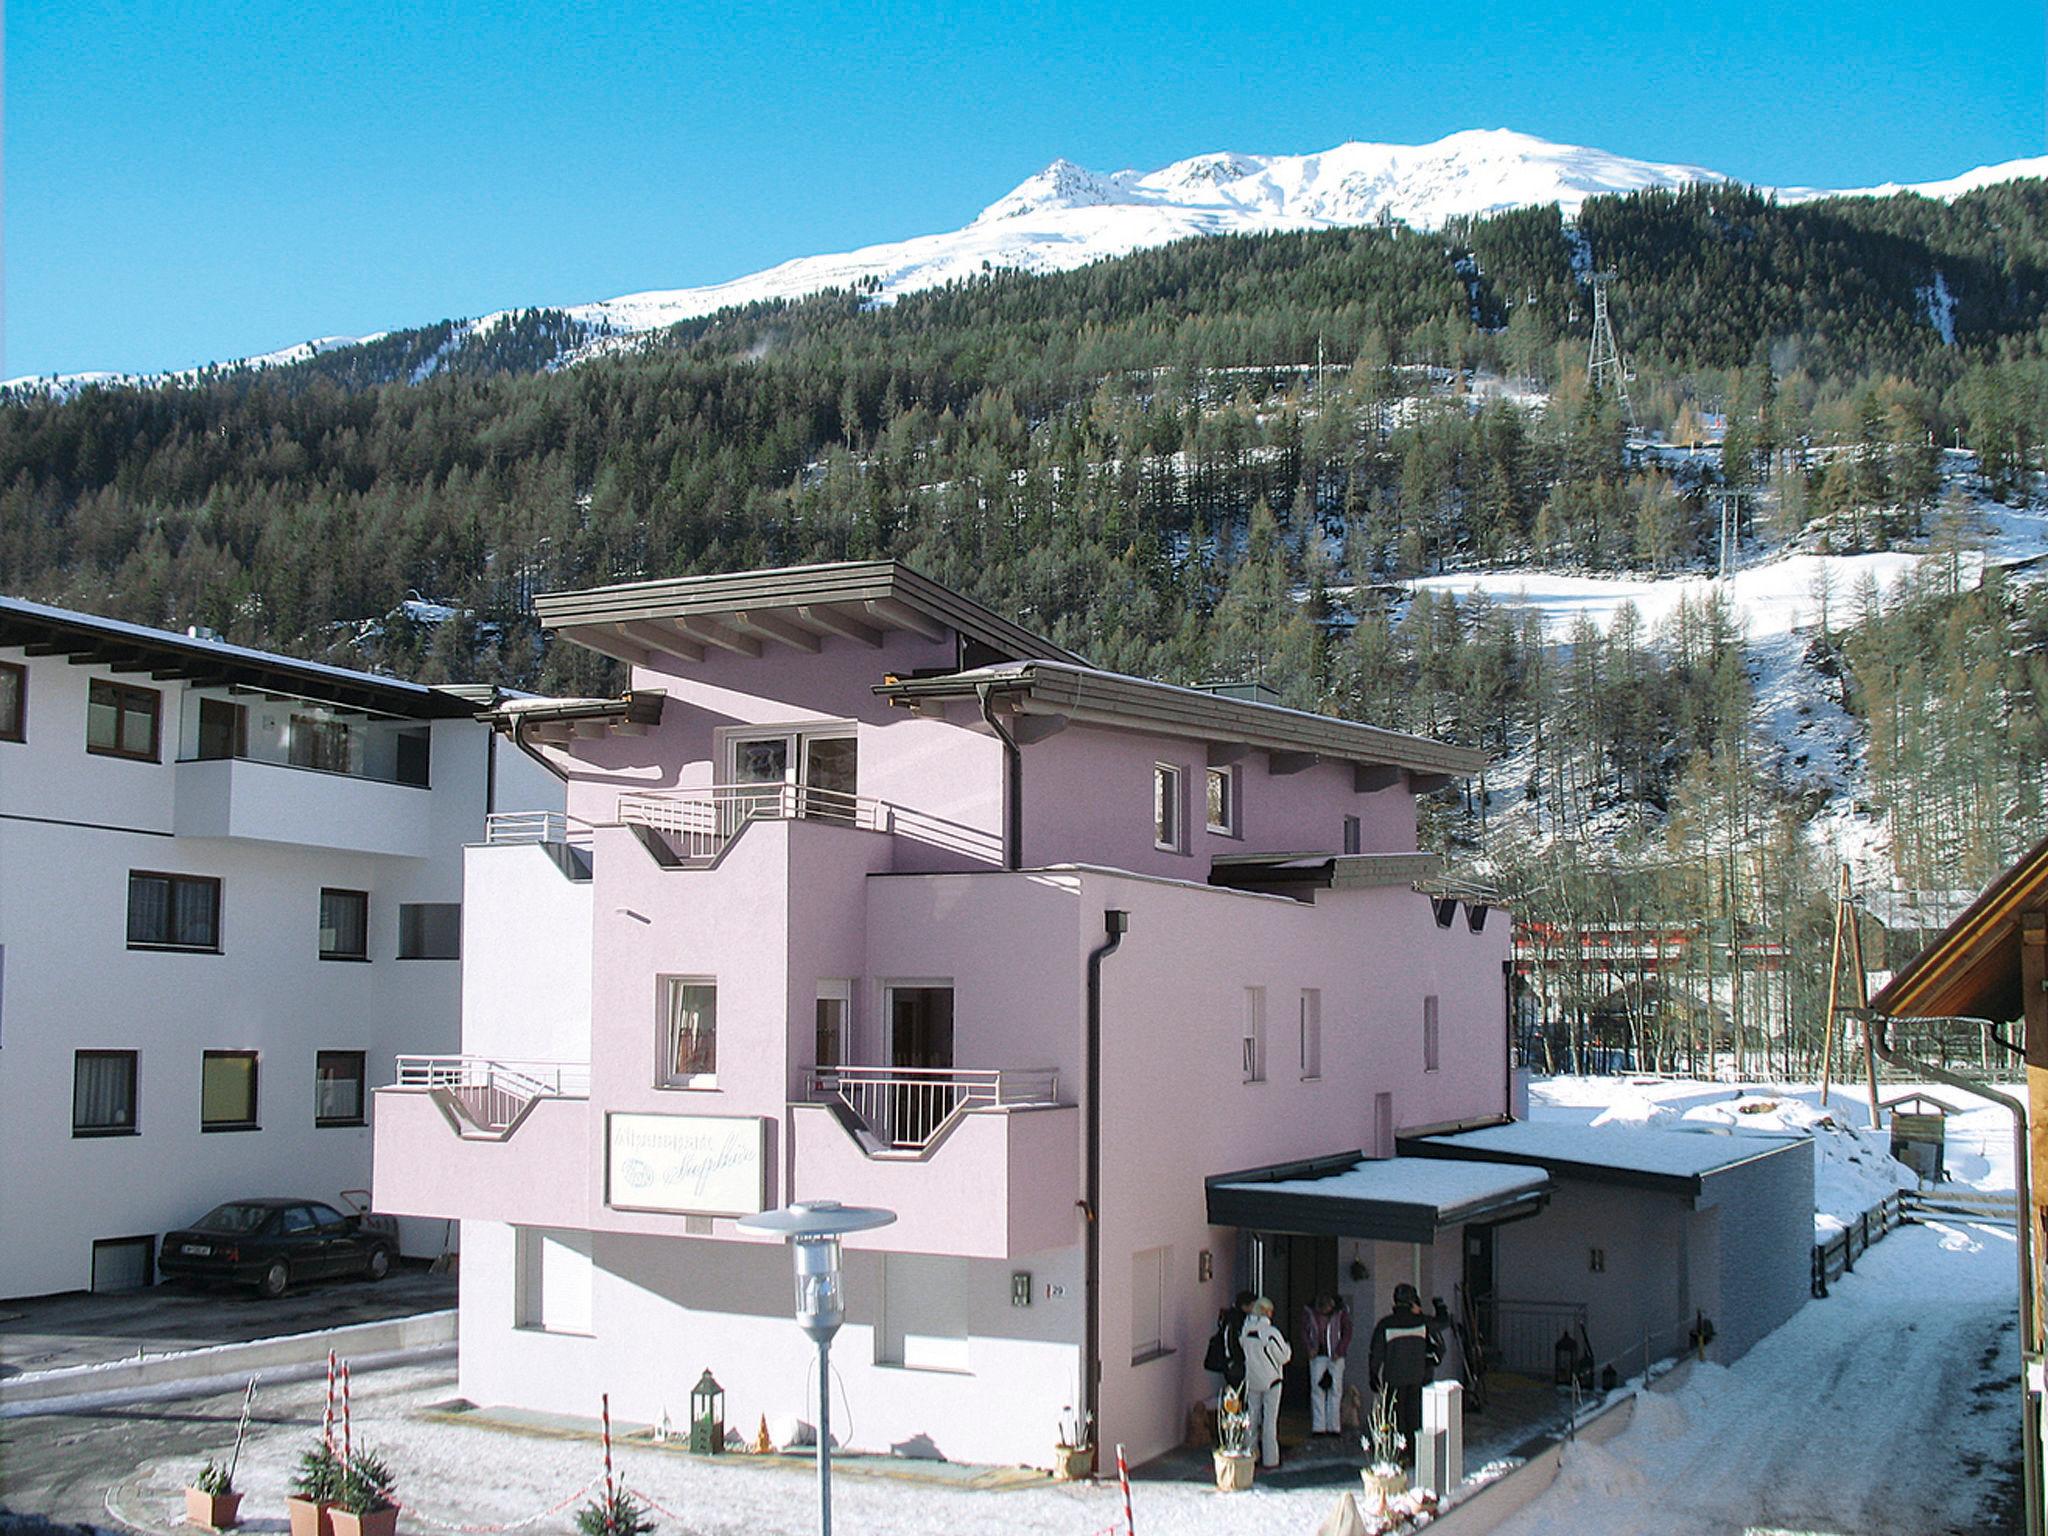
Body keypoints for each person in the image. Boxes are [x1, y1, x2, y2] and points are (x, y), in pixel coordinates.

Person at [1367, 1283, 1441, 1464]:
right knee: (1414, 1416)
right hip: (1417, 1377)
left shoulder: (1386, 1324)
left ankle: (1397, 1454)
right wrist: (1439, 1305)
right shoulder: (1421, 1323)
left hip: (1393, 1378)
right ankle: (1416, 1455)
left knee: (1394, 1418)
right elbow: (1443, 1323)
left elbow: (1376, 1353)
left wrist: (1373, 1375)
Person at [1240, 1295, 1292, 1469]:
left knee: (1252, 1418)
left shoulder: (1245, 1331)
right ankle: (1271, 1459)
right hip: (1272, 1379)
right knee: (1270, 1421)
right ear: (1265, 1312)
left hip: (1253, 1378)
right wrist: (1288, 1348)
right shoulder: (1270, 1333)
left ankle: (1250, 1454)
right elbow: (1284, 1357)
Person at [1300, 1292, 1352, 1436]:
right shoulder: (1309, 1313)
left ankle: (1333, 1427)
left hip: (1335, 1355)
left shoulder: (1341, 1313)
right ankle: (1319, 1427)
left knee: (1335, 1390)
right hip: (1317, 1355)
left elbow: (1347, 1332)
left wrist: (1340, 1350)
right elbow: (1304, 1331)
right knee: (1318, 1390)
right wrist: (1310, 1348)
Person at [1203, 1289, 1257, 1395]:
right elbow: (1231, 1342)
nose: (1254, 1309)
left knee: (1236, 1393)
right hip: (1234, 1363)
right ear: (1245, 1306)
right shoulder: (1235, 1320)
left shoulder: (1231, 1317)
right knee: (1238, 1393)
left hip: (1231, 1362)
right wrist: (1234, 1361)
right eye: (1252, 1306)